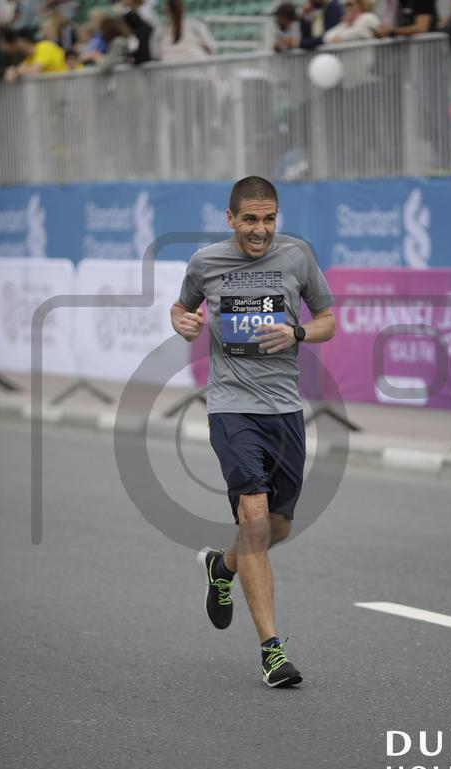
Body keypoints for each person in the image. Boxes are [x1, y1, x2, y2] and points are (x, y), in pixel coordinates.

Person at [171, 176, 335, 688]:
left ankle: (222, 568)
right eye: (250, 219)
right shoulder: (205, 262)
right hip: (231, 409)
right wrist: (182, 322)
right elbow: (181, 307)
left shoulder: (297, 257)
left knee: (277, 527)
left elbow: (329, 320)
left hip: (284, 410)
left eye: (268, 219)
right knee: (256, 520)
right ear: (230, 219)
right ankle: (272, 652)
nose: (260, 229)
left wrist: (298, 331)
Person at [1, 26, 66, 81]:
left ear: (23, 40)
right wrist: (12, 70)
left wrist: (16, 72)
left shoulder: (44, 46)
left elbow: (34, 70)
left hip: (68, 87)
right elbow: (19, 69)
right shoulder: (30, 58)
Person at [374, 0, 438, 36]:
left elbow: (421, 28)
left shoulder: (424, 1)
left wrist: (391, 31)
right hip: (407, 51)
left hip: (427, 49)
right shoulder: (401, 1)